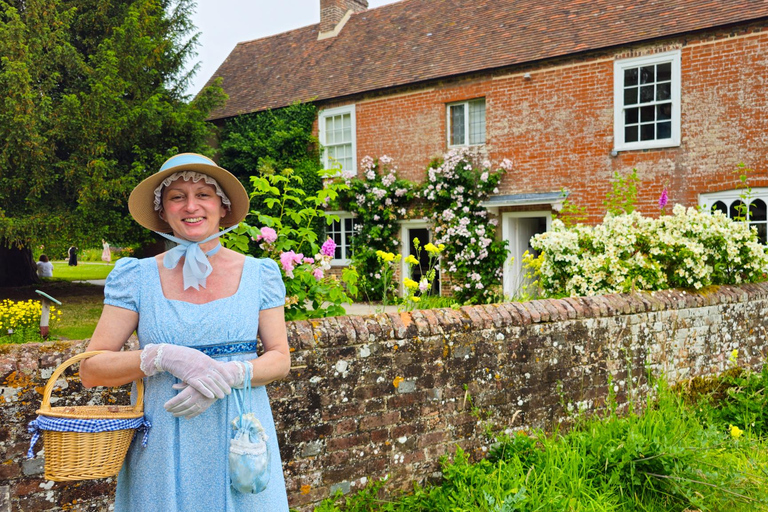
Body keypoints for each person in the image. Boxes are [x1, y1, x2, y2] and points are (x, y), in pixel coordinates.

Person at [79, 153, 291, 511]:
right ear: (163, 211)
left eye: (203, 195)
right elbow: (91, 369)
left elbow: (280, 359)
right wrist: (163, 356)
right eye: (176, 196)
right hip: (161, 442)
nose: (191, 206)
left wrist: (232, 372)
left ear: (223, 207)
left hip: (239, 439)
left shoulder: (260, 274)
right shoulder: (136, 277)